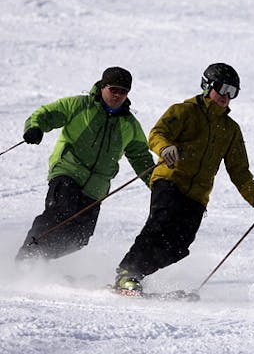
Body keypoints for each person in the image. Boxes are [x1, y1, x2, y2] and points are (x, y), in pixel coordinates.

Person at [114, 63, 254, 293]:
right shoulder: (184, 111)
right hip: (170, 180)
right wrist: (166, 148)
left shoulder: (230, 129)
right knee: (159, 227)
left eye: (233, 92)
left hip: (198, 195)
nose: (226, 96)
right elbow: (157, 134)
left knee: (179, 246)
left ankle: (136, 273)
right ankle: (128, 273)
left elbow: (239, 170)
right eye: (222, 89)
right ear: (207, 86)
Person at [16, 67, 155, 261]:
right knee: (61, 211)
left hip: (96, 188)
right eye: (113, 89)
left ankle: (41, 261)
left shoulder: (129, 125)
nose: (117, 95)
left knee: (80, 236)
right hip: (68, 170)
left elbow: (141, 157)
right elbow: (46, 113)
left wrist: (156, 184)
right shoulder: (80, 106)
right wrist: (35, 128)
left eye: (123, 91)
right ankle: (28, 257)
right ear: (102, 87)